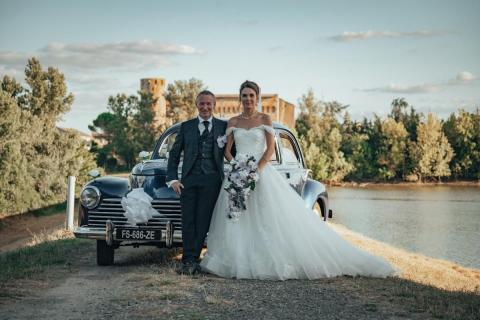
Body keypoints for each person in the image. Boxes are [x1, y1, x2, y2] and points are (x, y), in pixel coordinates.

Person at [200, 81, 397, 280]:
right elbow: (227, 150)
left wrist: (255, 171)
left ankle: (268, 260)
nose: (248, 99)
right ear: (240, 97)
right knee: (237, 217)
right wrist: (237, 167)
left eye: (251, 95)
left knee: (266, 218)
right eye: (244, 95)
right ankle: (237, 261)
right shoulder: (233, 122)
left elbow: (269, 150)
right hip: (238, 173)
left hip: (261, 173)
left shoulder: (265, 118)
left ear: (257, 98)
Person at [166, 90, 227, 275]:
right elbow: (174, 154)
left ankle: (192, 259)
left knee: (202, 221)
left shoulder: (223, 127)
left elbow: (234, 151)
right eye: (202, 103)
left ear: (214, 105)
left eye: (209, 104)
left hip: (212, 180)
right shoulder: (187, 127)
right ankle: (187, 260)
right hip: (189, 180)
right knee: (188, 220)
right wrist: (173, 179)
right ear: (197, 105)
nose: (205, 107)